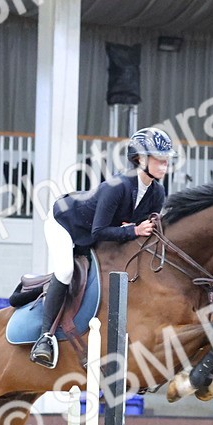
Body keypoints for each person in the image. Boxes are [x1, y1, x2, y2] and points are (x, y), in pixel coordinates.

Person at [30, 127, 174, 368]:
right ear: (140, 159)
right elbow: (100, 231)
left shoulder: (157, 193)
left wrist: (136, 231)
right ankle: (45, 338)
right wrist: (133, 230)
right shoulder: (117, 187)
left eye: (166, 158)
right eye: (159, 158)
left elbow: (143, 232)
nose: (165, 163)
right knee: (65, 271)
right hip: (66, 224)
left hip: (99, 234)